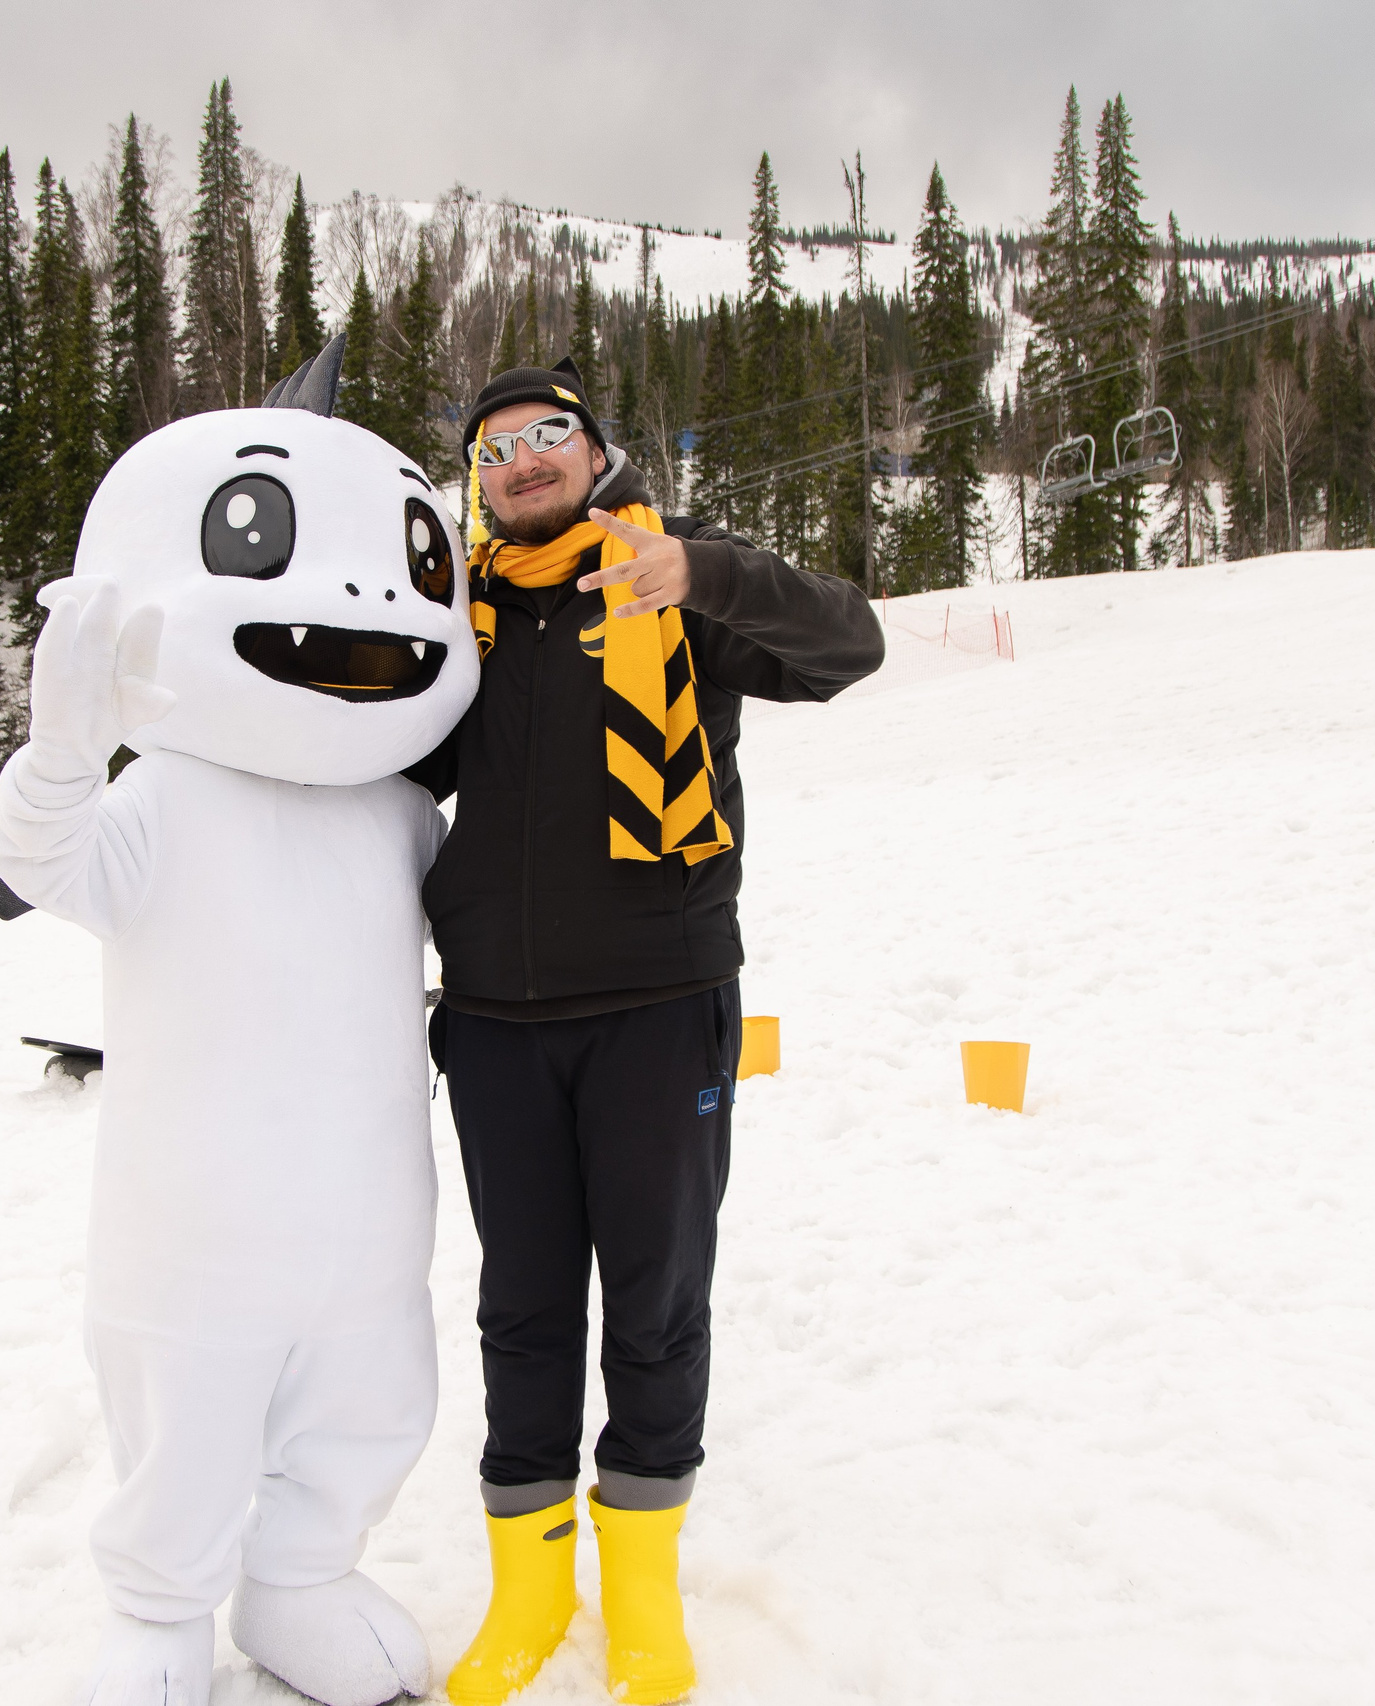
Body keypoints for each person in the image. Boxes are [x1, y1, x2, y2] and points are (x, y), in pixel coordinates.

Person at [414, 361, 884, 1706]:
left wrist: (708, 573)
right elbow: (375, 766)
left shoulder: (671, 583)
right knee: (521, 1302)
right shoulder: (462, 627)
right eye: (497, 446)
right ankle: (527, 1584)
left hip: (659, 1009)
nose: (522, 460)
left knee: (659, 1300)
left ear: (597, 451)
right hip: (496, 1025)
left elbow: (849, 647)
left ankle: (639, 1587)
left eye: (548, 434)